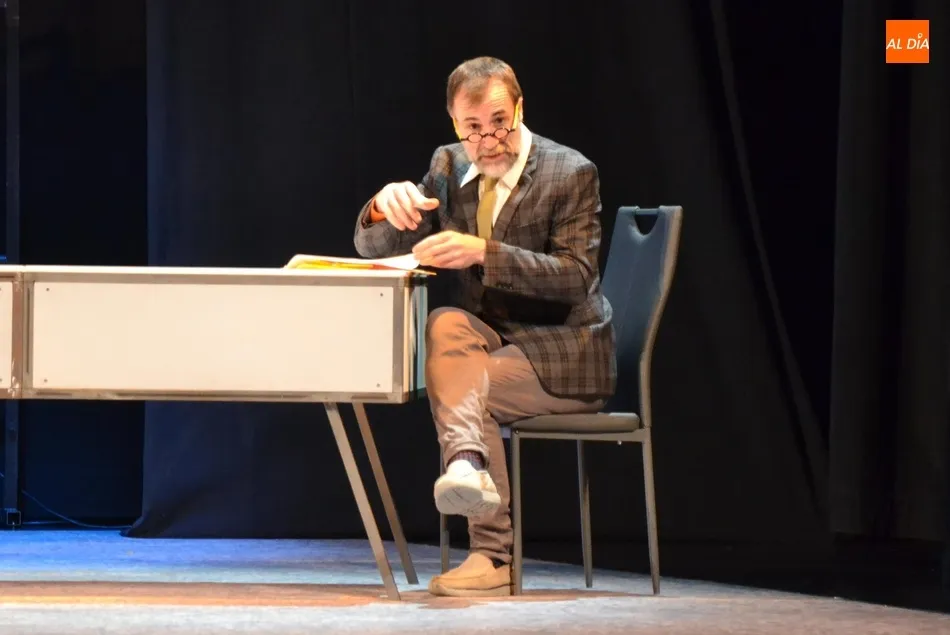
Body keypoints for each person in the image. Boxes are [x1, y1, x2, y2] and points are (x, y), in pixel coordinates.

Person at [353, 56, 616, 597]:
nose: (489, 140)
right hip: (490, 341)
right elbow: (376, 248)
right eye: (472, 128)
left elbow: (576, 277)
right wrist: (381, 208)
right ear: (455, 124)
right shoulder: (448, 166)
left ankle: (492, 556)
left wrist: (483, 252)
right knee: (446, 321)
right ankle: (467, 464)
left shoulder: (570, 172)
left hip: (565, 353)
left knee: (465, 388)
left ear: (519, 108)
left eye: (499, 122)